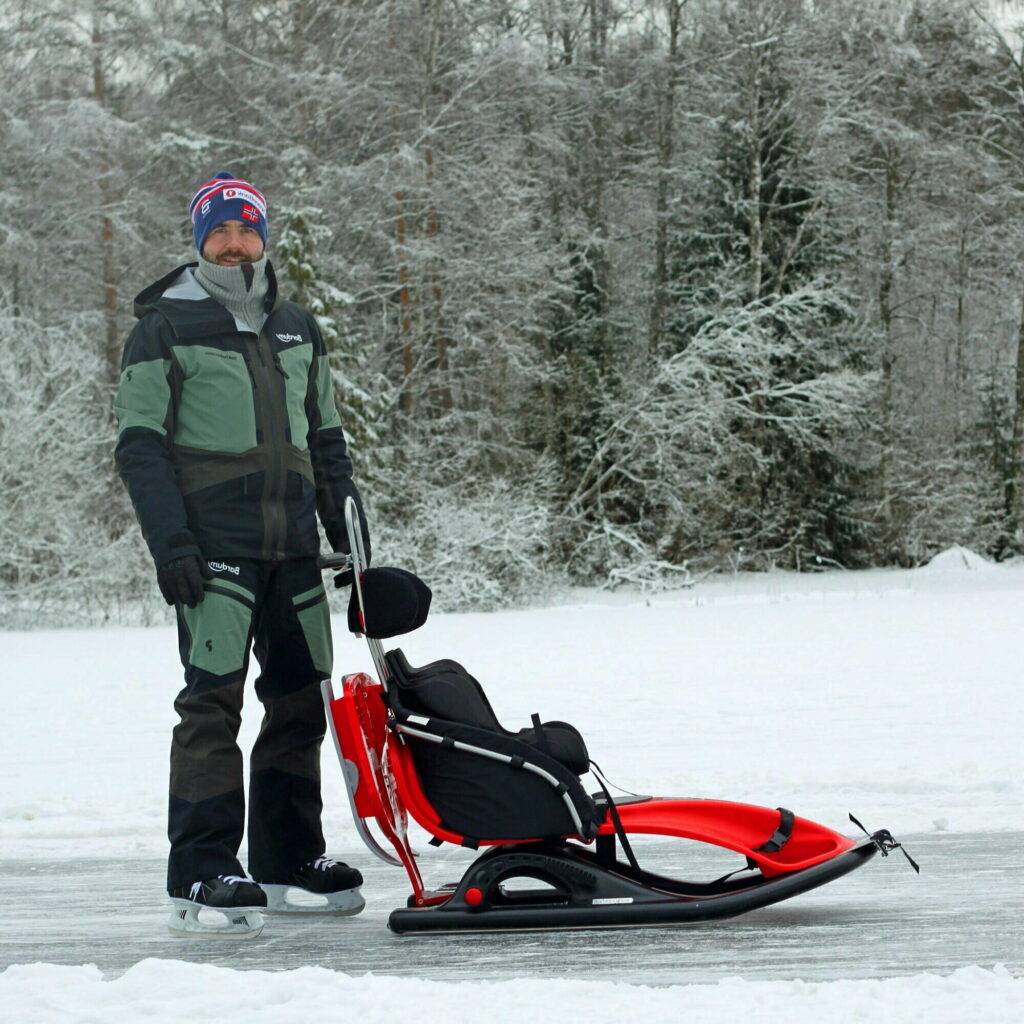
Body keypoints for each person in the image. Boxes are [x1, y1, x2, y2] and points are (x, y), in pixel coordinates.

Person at [114, 171, 370, 936]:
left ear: (262, 236)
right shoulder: (162, 326)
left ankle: (288, 861)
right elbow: (139, 447)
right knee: (211, 706)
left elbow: (327, 441)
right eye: (218, 231)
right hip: (212, 550)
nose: (234, 242)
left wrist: (351, 540)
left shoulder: (297, 326)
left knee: (298, 704)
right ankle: (201, 870)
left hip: (291, 548)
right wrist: (171, 544)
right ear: (200, 243)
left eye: (245, 229)